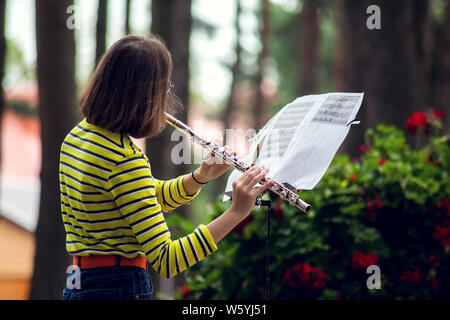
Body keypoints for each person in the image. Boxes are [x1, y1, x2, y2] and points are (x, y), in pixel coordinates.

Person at [60, 35, 273, 300]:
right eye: (165, 87)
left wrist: (199, 177)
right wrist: (236, 212)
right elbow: (168, 260)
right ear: (143, 94)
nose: (165, 95)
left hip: (80, 284)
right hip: (119, 287)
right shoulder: (123, 160)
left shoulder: (78, 137)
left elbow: (138, 199)